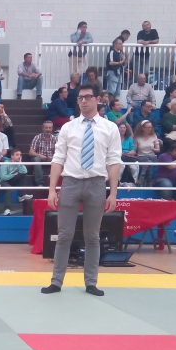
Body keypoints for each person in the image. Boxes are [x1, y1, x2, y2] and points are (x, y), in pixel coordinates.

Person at [42, 82, 121, 297]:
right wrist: (52, 190)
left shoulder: (110, 128)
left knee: (92, 236)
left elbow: (114, 162)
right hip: (70, 182)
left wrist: (113, 193)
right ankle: (56, 281)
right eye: (80, 98)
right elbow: (58, 159)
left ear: (98, 99)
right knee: (64, 234)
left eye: (87, 97)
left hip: (96, 183)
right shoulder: (68, 127)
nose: (83, 101)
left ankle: (91, 282)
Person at [0, 148, 30, 215]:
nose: (19, 156)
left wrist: (20, 163)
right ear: (12, 156)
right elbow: (4, 177)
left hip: (10, 179)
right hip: (1, 181)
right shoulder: (6, 163)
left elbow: (25, 171)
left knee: (22, 174)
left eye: (20, 155)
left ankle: (21, 195)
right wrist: (13, 174)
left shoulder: (18, 163)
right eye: (17, 155)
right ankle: (6, 209)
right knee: (10, 189)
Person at [132, 120, 161, 186]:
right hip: (141, 157)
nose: (149, 129)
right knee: (148, 162)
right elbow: (134, 149)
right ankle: (149, 181)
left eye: (150, 127)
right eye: (147, 127)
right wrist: (132, 152)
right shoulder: (137, 137)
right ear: (143, 128)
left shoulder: (154, 136)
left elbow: (158, 150)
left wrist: (153, 149)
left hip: (152, 156)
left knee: (148, 161)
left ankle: (141, 179)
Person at [30, 120, 58, 186]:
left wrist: (53, 157)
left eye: (50, 128)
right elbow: (31, 152)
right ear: (43, 128)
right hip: (40, 159)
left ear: (52, 128)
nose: (48, 129)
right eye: (46, 128)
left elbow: (58, 152)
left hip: (52, 159)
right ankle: (39, 182)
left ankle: (56, 183)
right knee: (36, 159)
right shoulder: (37, 137)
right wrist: (39, 155)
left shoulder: (55, 139)